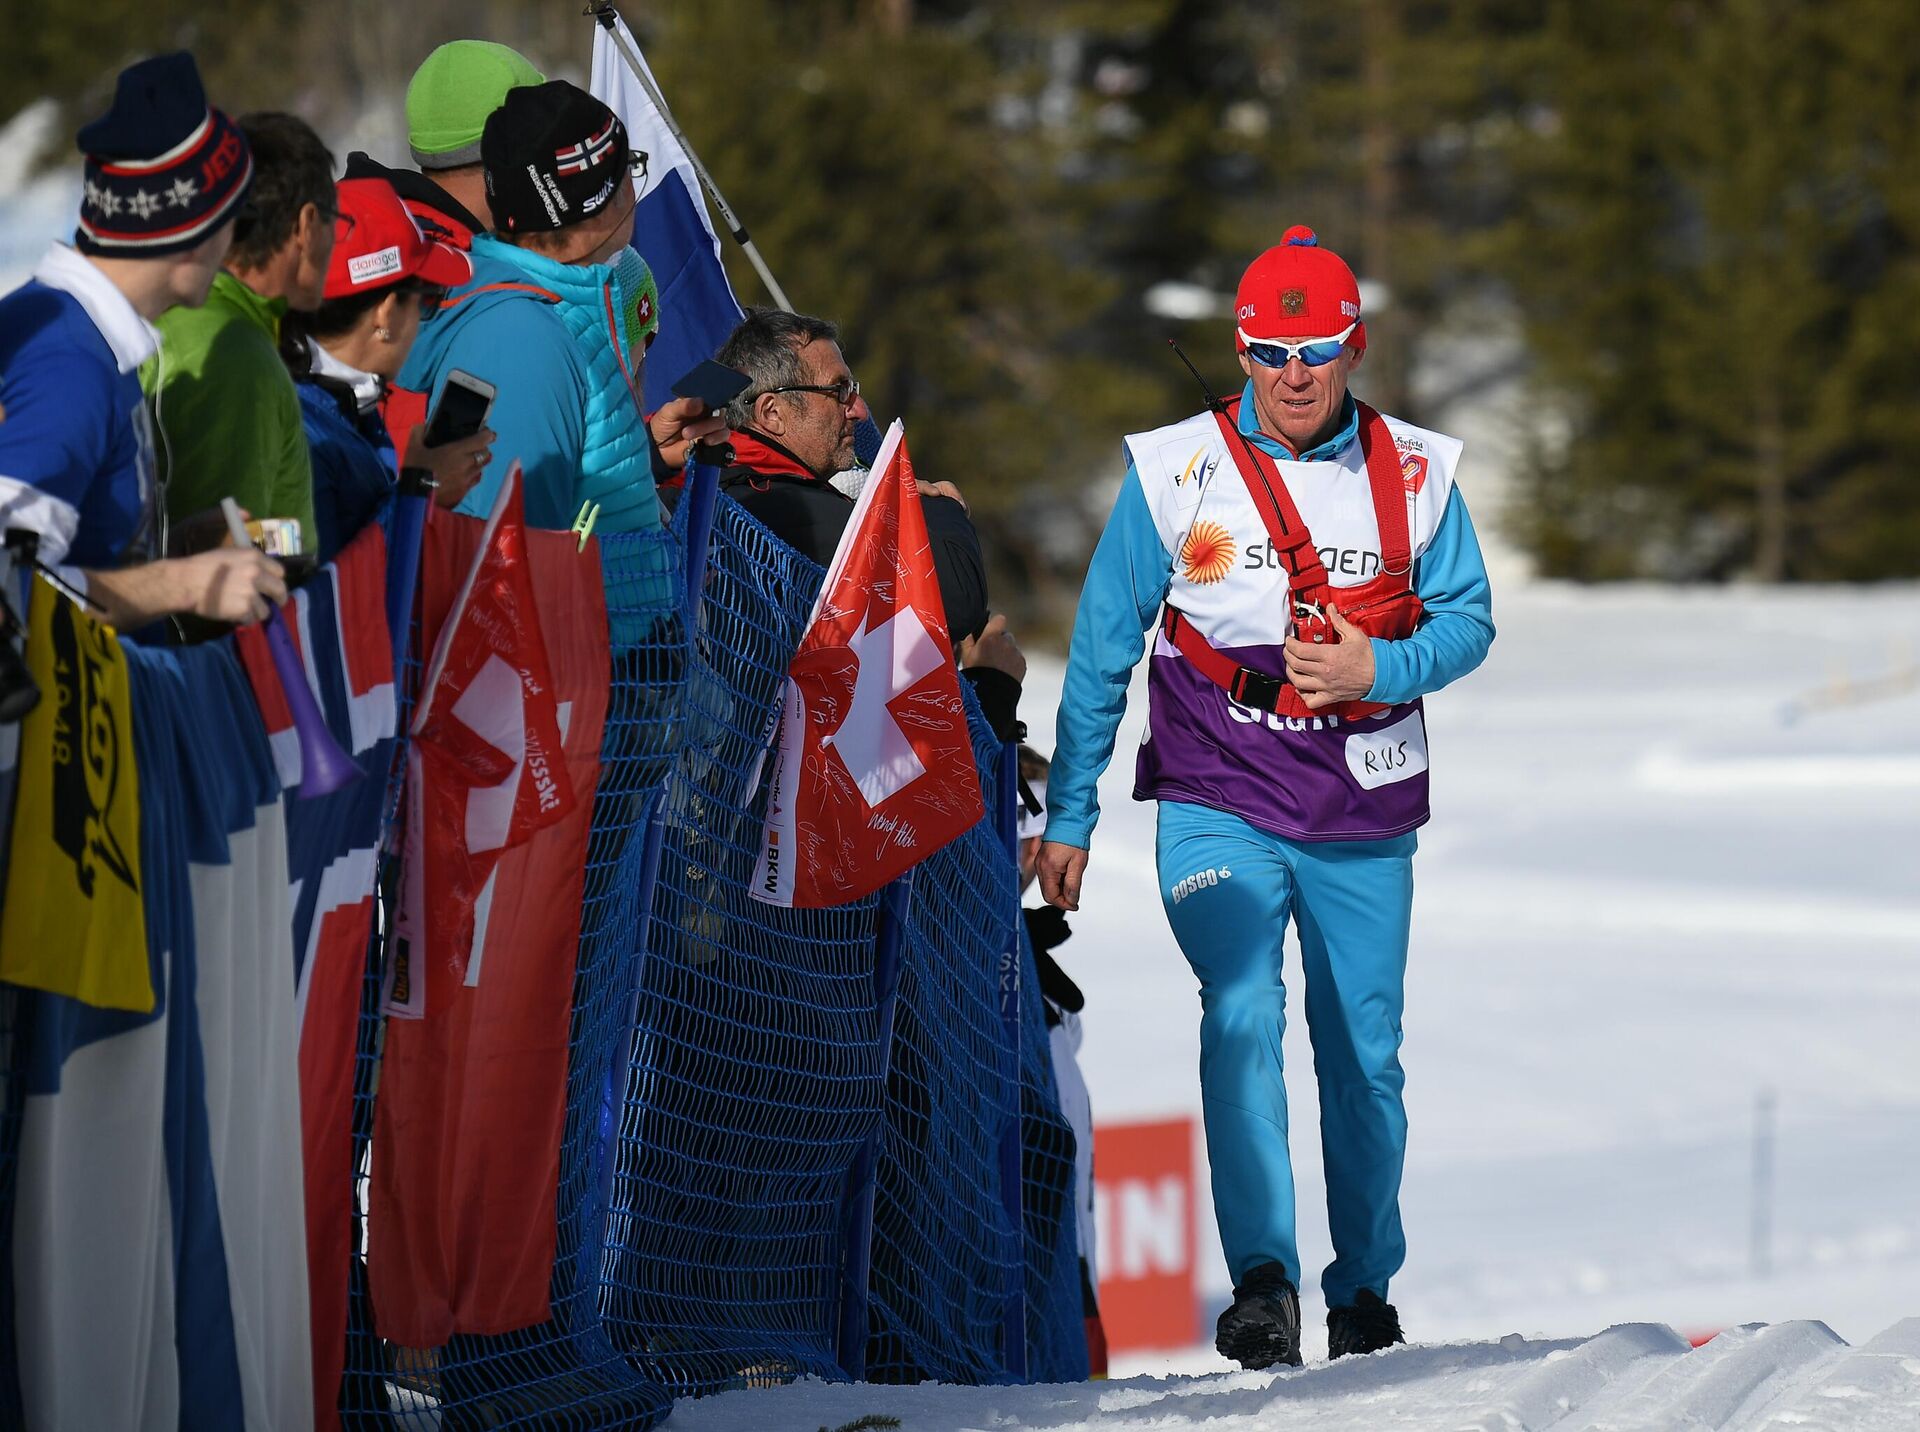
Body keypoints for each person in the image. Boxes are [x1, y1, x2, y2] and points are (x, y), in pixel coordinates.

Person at [1039, 227, 1495, 1368]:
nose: (1296, 373)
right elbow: (1102, 650)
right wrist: (1074, 814)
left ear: (1356, 346)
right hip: (1216, 786)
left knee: (1363, 1052)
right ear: (1241, 351)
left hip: (1361, 801)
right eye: (1272, 349)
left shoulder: (1413, 471)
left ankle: (1366, 1289)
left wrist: (1375, 670)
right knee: (1241, 1007)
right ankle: (1262, 1282)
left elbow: (1470, 619)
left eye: (1319, 349)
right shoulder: (1172, 471)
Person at [0, 51, 283, 632]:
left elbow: (69, 559)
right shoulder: (69, 365)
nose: (235, 244)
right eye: (237, 219)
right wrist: (182, 584)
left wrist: (168, 551)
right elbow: (9, 591)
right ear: (193, 235)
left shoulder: (90, 338)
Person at [398, 80, 723, 557]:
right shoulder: (523, 338)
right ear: (596, 205)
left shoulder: (562, 310)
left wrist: (659, 571)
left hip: (615, 628)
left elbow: (585, 503)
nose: (636, 184)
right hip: (585, 632)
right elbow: (504, 559)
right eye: (628, 168)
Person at [712, 306, 1025, 736]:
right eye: (838, 390)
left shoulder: (734, 488)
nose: (857, 410)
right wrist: (932, 504)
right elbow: (954, 600)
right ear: (771, 413)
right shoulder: (780, 507)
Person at [147, 110, 336, 555]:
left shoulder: (199, 313)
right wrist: (298, 542)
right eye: (335, 220)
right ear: (306, 225)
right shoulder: (237, 353)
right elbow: (223, 547)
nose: (334, 240)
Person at [279, 177, 494, 561]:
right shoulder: (297, 432)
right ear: (386, 312)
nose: (422, 319)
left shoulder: (342, 398)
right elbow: (320, 579)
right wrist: (421, 490)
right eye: (426, 300)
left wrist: (415, 484)